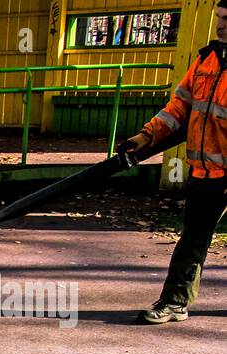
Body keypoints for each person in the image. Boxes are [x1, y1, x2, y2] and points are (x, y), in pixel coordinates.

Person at [124, 1, 227, 324]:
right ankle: (174, 302)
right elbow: (178, 107)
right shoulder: (206, 59)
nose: (221, 26)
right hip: (206, 171)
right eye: (219, 18)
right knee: (193, 239)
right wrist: (145, 137)